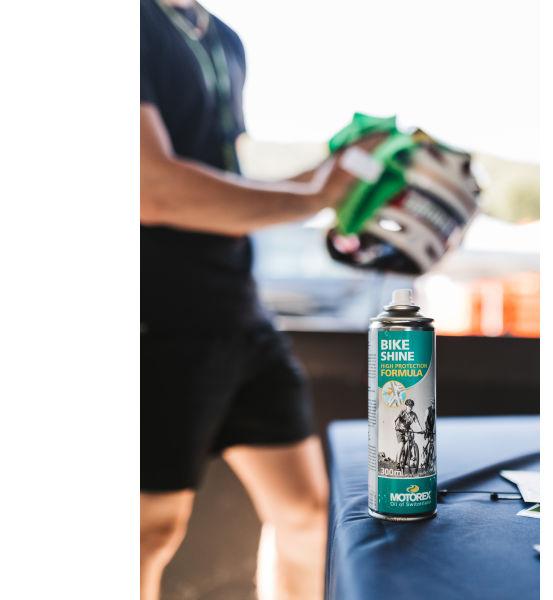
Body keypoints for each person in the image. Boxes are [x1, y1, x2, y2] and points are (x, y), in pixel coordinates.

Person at [139, 1, 378, 599]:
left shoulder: (224, 37)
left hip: (237, 309)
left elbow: (225, 178)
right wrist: (315, 197)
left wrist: (343, 172)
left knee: (307, 512)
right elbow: (150, 187)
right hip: (153, 317)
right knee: (148, 532)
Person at [394, 399, 422, 471]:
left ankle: (410, 455)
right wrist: (395, 426)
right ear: (406, 406)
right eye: (409, 406)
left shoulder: (413, 414)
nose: (410, 407)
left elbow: (417, 423)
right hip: (400, 430)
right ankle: (398, 463)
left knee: (411, 439)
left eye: (411, 406)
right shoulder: (402, 412)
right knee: (401, 444)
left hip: (407, 430)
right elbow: (395, 419)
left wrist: (421, 430)